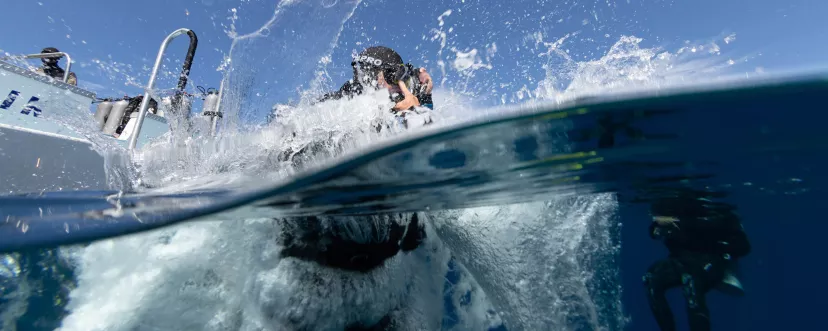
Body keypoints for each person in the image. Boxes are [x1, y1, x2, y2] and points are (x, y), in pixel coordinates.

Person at [643, 191, 751, 331]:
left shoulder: (717, 212)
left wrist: (678, 223)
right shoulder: (668, 208)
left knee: (692, 283)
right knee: (651, 278)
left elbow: (743, 246)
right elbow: (654, 230)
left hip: (712, 261)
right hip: (681, 260)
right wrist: (660, 227)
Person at [318, 46, 434, 113]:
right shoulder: (349, 102)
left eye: (403, 78)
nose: (400, 86)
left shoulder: (398, 92)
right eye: (392, 77)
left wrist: (425, 93)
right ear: (375, 79)